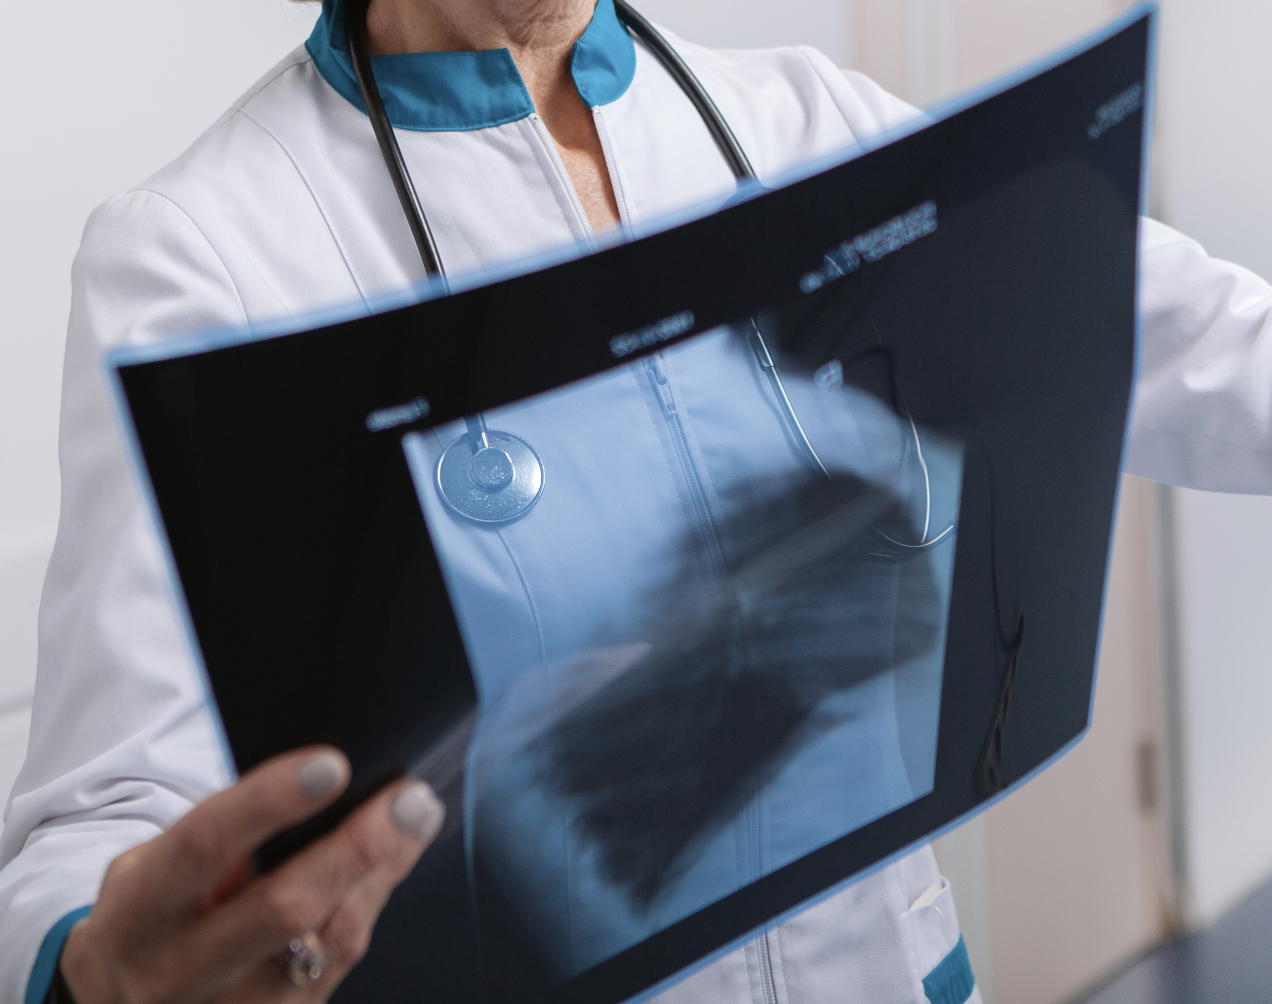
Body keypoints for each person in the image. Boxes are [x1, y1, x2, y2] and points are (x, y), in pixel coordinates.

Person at [1, 0, 1270, 1000]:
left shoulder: (799, 122)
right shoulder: (205, 249)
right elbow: (101, 817)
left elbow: (1203, 343)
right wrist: (100, 966)